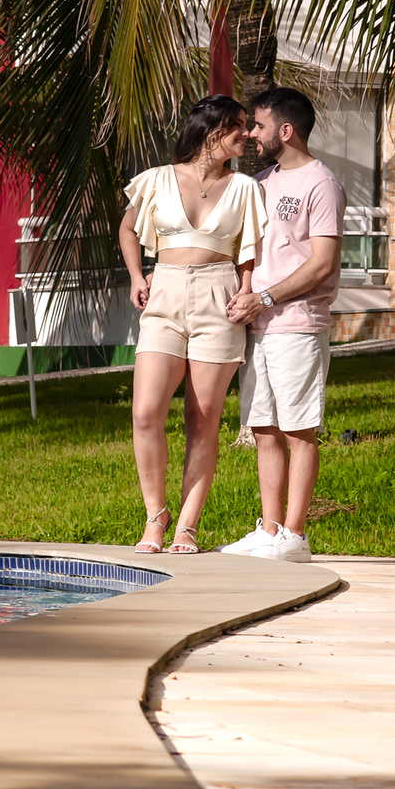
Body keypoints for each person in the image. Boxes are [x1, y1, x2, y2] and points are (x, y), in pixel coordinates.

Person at [119, 96, 267, 553]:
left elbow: (249, 250)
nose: (246, 134)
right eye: (237, 125)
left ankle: (186, 525)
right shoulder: (157, 179)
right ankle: (155, 516)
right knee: (145, 412)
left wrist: (246, 290)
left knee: (202, 419)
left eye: (247, 125)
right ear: (210, 128)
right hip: (164, 291)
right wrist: (136, 276)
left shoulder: (244, 187)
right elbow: (128, 229)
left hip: (218, 297)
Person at [222, 88, 345, 564]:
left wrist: (266, 298)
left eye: (258, 125)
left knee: (299, 430)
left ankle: (294, 536)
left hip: (298, 325)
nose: (251, 134)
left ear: (286, 130)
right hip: (258, 327)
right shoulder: (259, 183)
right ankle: (269, 530)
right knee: (264, 428)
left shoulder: (321, 184)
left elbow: (323, 262)